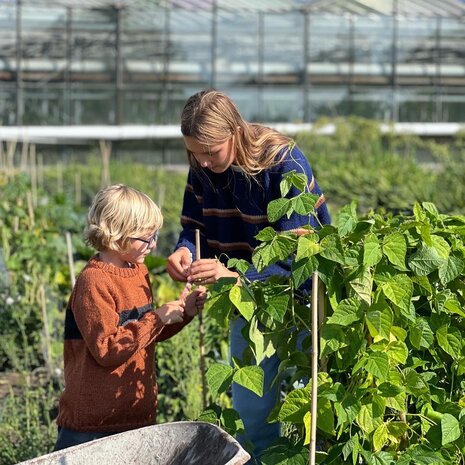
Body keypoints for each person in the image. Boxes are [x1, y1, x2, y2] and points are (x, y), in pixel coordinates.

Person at [166, 89, 331, 462]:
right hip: (248, 303)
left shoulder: (283, 162)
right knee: (252, 412)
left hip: (306, 300)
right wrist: (185, 251)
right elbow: (193, 226)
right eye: (195, 152)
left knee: (317, 408)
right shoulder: (202, 169)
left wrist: (238, 278)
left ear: (235, 132)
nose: (203, 162)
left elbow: (297, 246)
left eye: (211, 152)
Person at [54, 184, 207, 451]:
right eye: (146, 238)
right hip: (92, 424)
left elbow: (143, 335)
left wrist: (184, 313)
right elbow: (108, 349)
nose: (154, 244)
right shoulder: (94, 281)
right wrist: (158, 318)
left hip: (133, 413)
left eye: (155, 235)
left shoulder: (138, 271)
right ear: (116, 235)